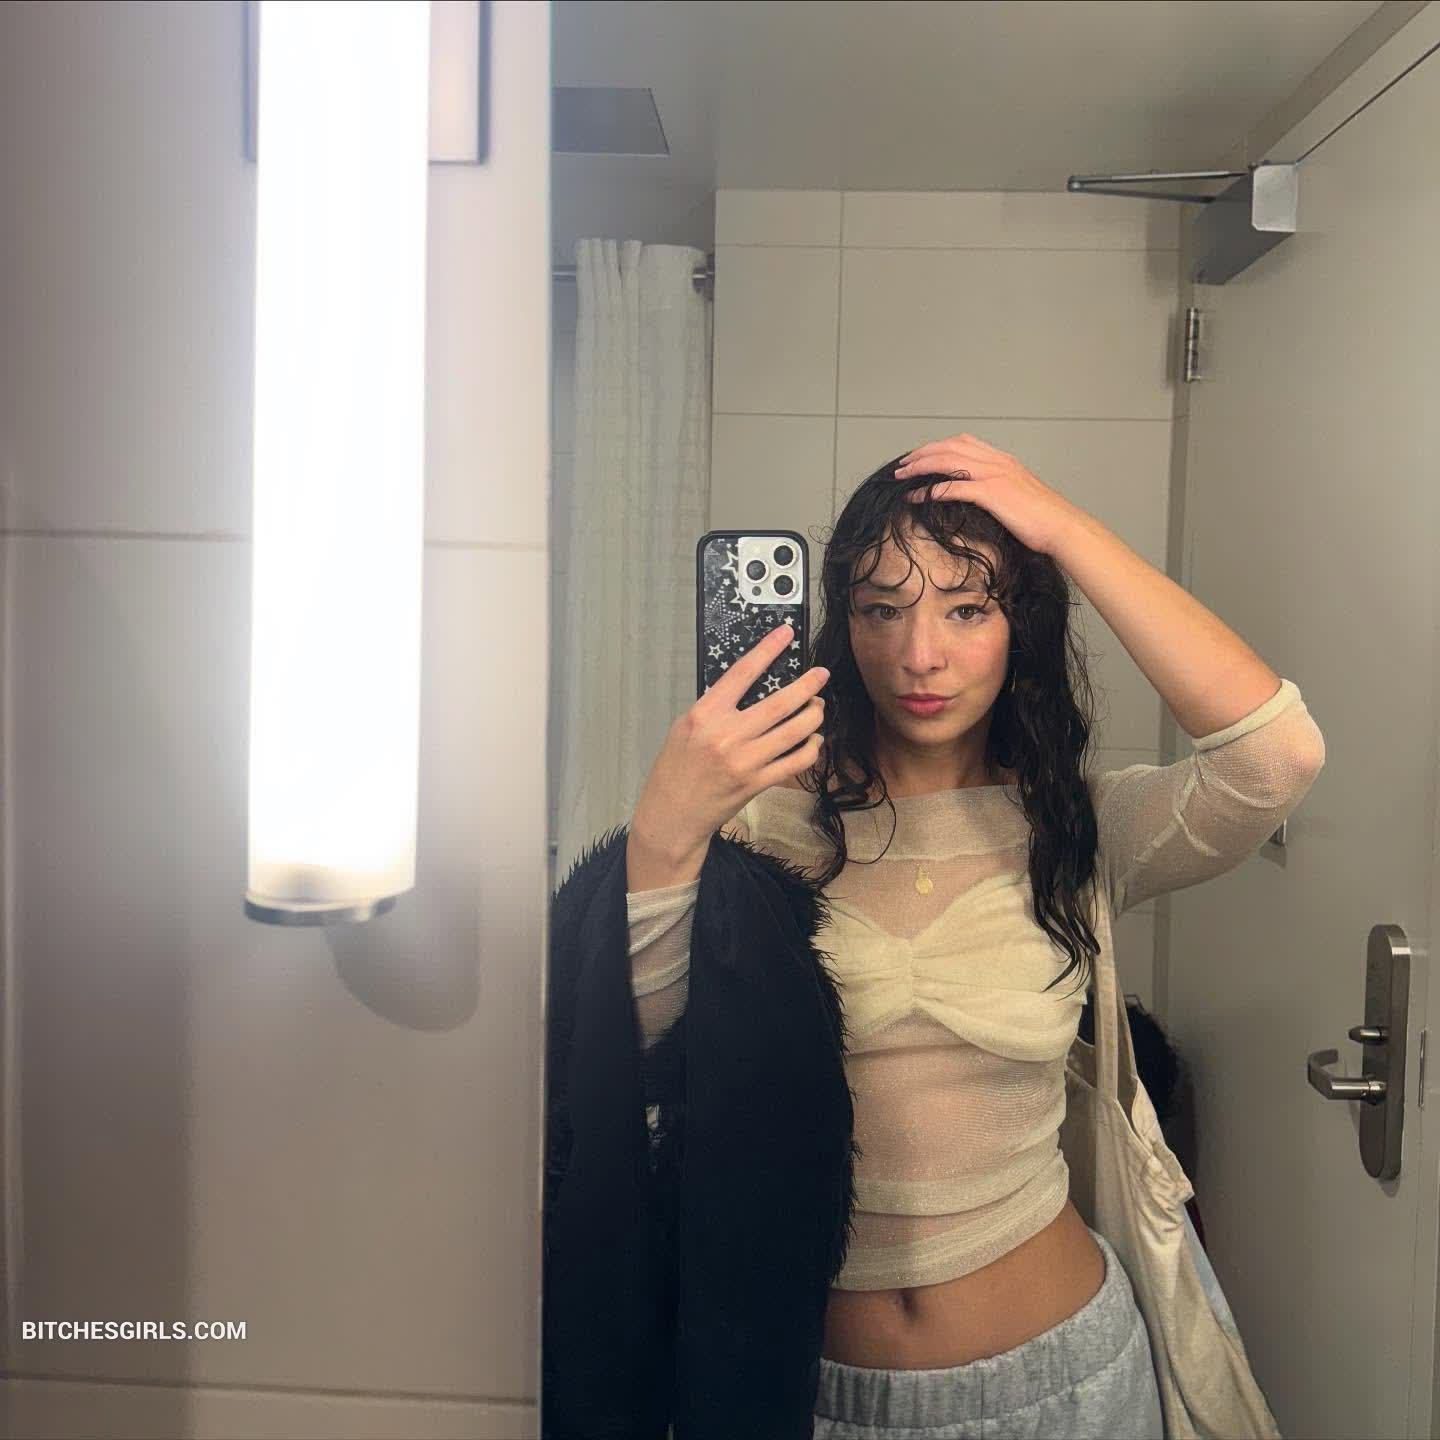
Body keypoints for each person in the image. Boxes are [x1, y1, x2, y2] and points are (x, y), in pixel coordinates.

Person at [622, 442, 1325, 1437]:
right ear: (843, 626)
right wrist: (666, 826)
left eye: (967, 608)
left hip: (1068, 1382)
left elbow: (1275, 759)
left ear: (1020, 625)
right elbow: (639, 1050)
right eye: (882, 610)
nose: (920, 656)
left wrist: (1063, 528)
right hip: (814, 1394)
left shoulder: (1077, 828)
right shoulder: (762, 821)